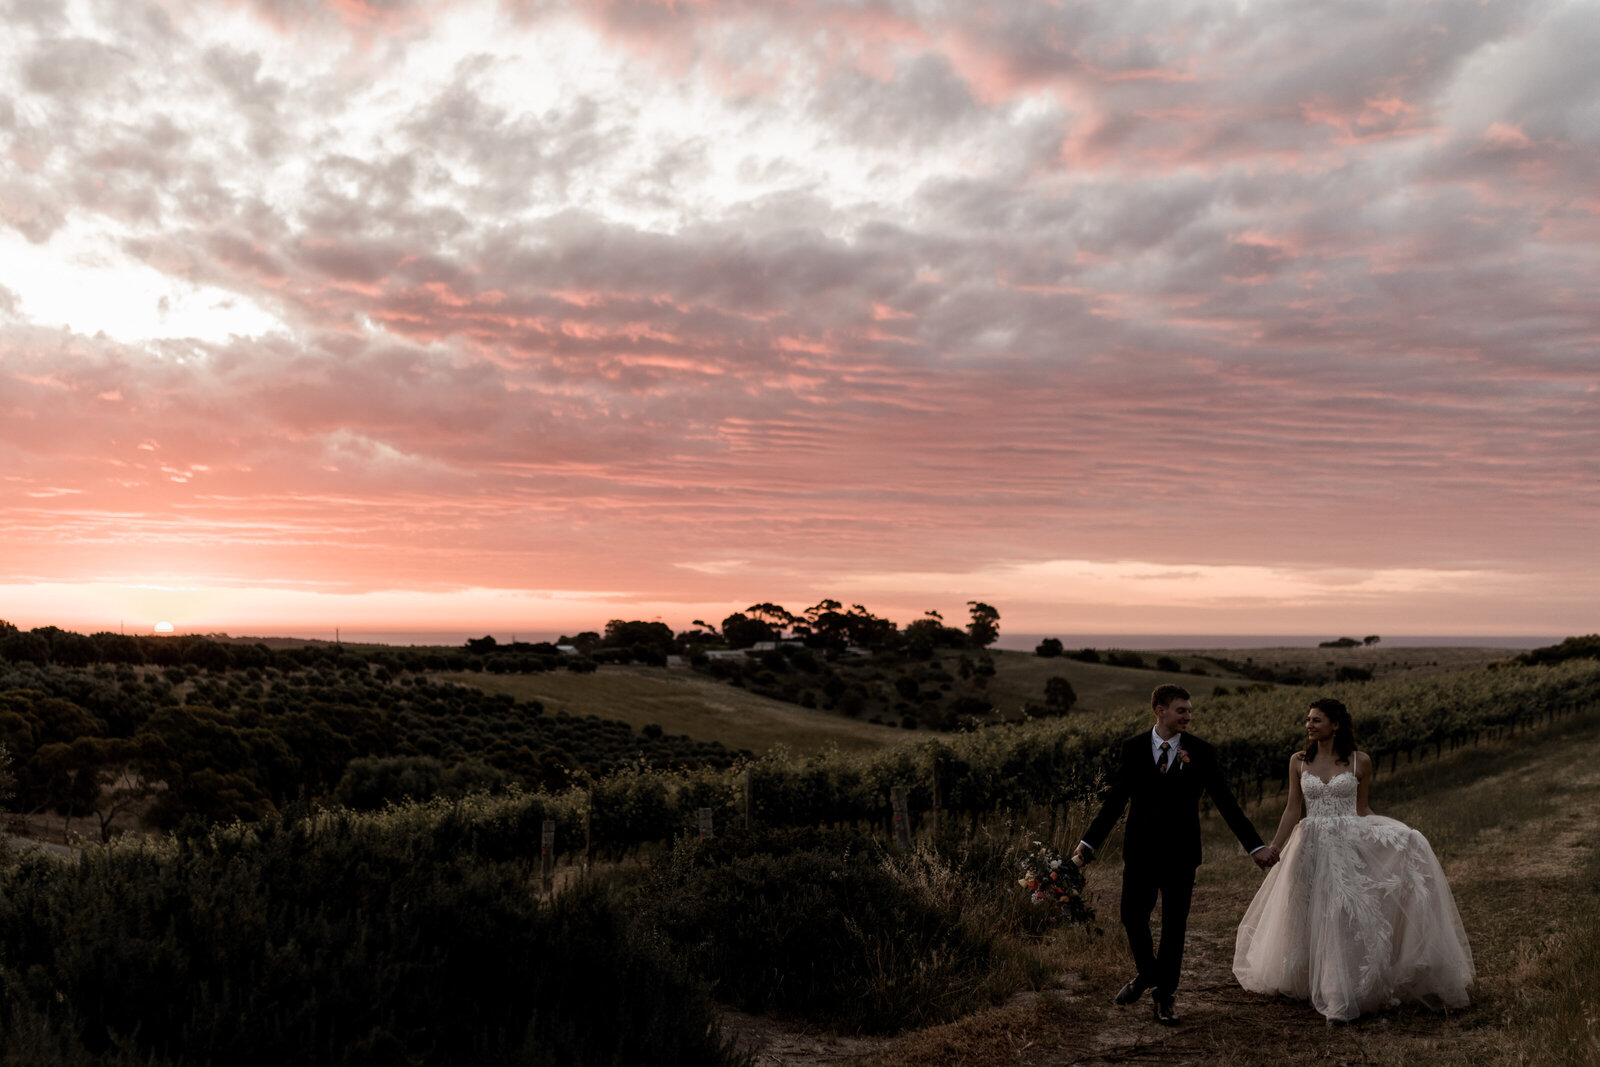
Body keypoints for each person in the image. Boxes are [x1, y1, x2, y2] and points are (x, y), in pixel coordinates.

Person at [1232, 697, 1474, 1022]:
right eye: (1308, 720)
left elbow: (1362, 810)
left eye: (1316, 720)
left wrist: (1395, 835)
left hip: (1347, 843)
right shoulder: (1298, 761)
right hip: (1310, 844)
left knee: (1340, 915)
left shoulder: (1361, 762)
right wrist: (1275, 847)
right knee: (1305, 909)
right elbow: (1293, 808)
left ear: (1336, 724)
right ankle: (1307, 978)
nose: (1309, 725)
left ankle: (1340, 989)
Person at [1073, 684, 1275, 1025]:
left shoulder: (1201, 751)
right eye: (1182, 710)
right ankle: (1147, 972)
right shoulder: (1133, 748)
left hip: (1182, 854)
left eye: (1190, 710)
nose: (1188, 716)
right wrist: (1087, 846)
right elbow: (1115, 802)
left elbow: (1226, 802)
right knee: (1131, 916)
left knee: (1174, 927)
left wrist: (1254, 847)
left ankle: (1164, 998)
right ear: (1160, 710)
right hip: (1139, 852)